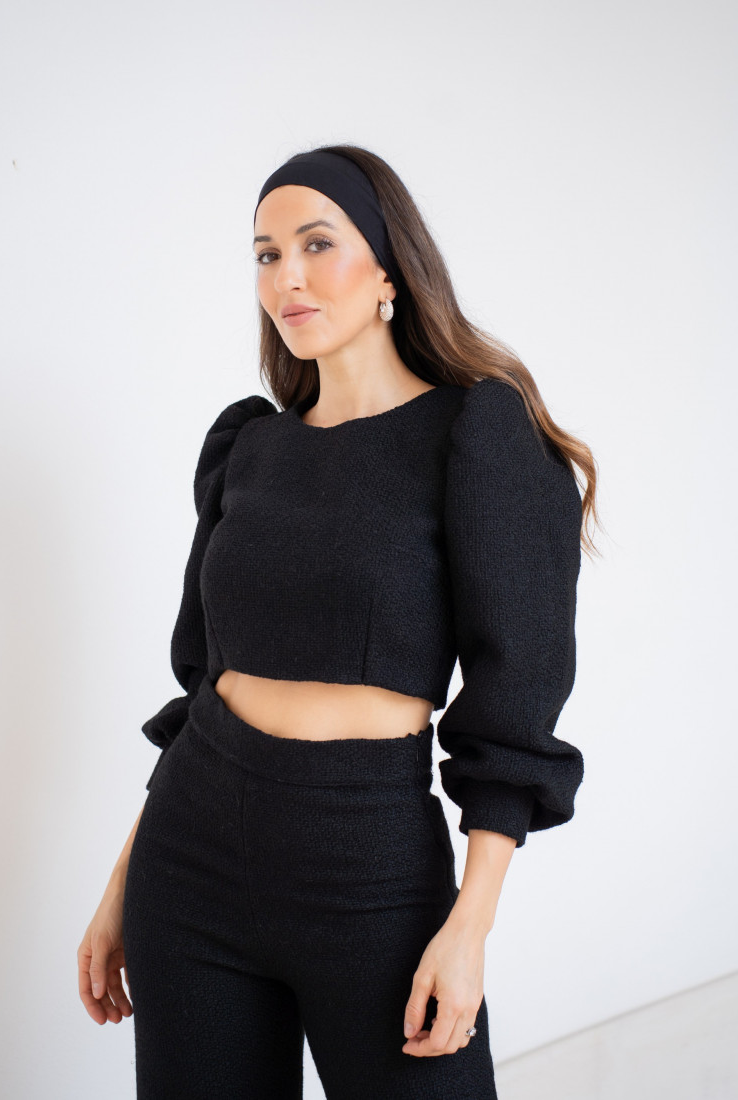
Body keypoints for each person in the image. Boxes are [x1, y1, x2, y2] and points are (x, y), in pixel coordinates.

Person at [77, 144, 599, 1098]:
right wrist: (122, 881)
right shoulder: (249, 446)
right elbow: (203, 684)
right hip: (188, 861)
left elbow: (515, 695)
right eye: (266, 254)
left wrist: (470, 926)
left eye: (317, 244)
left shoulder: (477, 435)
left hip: (368, 867)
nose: (288, 277)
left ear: (390, 270)